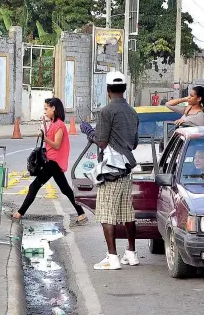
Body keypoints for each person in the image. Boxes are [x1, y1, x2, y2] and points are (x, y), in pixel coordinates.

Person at [80, 71, 140, 270]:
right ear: (124, 89)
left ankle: (112, 257)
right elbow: (135, 142)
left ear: (108, 90)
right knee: (127, 213)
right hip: (126, 170)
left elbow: (102, 141)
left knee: (106, 213)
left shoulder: (106, 111)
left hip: (111, 171)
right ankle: (131, 253)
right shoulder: (132, 112)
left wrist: (88, 131)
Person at [13, 98, 87, 223]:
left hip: (54, 162)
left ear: (54, 108)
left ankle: (20, 213)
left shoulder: (59, 125)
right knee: (65, 189)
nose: (45, 111)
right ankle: (81, 213)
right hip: (52, 161)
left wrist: (44, 137)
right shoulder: (53, 123)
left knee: (34, 186)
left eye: (47, 108)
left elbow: (57, 145)